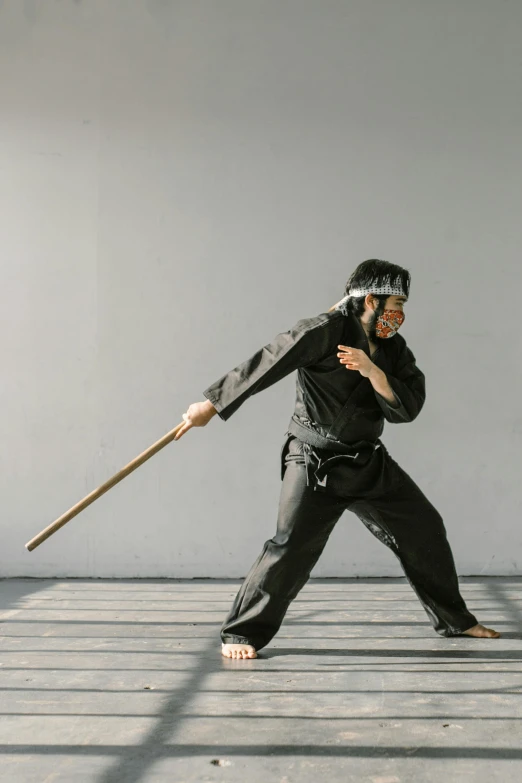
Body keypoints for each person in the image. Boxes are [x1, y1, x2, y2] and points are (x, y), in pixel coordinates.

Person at [175, 259, 500, 659]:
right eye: (396, 303)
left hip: (368, 461)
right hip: (314, 460)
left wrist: (373, 372)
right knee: (289, 547)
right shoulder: (323, 331)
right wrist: (212, 404)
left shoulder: (394, 350)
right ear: (370, 300)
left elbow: (408, 407)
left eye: (403, 305)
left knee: (424, 529)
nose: (401, 314)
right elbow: (267, 361)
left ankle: (456, 620)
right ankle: (241, 634)